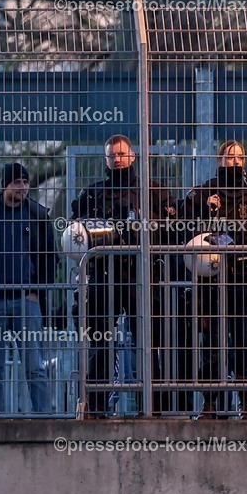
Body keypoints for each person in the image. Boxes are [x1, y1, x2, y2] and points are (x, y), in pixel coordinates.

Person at [71, 134, 178, 418]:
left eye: (121, 154)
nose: (117, 159)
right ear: (105, 159)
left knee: (148, 342)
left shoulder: (153, 191)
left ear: (133, 156)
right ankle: (96, 406)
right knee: (100, 341)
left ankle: (153, 406)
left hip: (141, 276)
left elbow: (173, 229)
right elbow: (75, 233)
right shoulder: (91, 195)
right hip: (103, 276)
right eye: (112, 155)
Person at [180, 140, 247, 418]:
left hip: (245, 275)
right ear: (220, 161)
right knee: (213, 341)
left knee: (246, 340)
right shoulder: (205, 191)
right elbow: (184, 227)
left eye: (240, 157)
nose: (236, 162)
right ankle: (210, 403)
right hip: (213, 277)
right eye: (230, 157)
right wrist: (205, 210)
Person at [0, 162, 58, 414]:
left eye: (25, 182)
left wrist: (37, 292)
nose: (22, 187)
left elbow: (50, 256)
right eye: (17, 182)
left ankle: (44, 419)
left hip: (26, 300)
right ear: (5, 184)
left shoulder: (37, 215)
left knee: (35, 366)